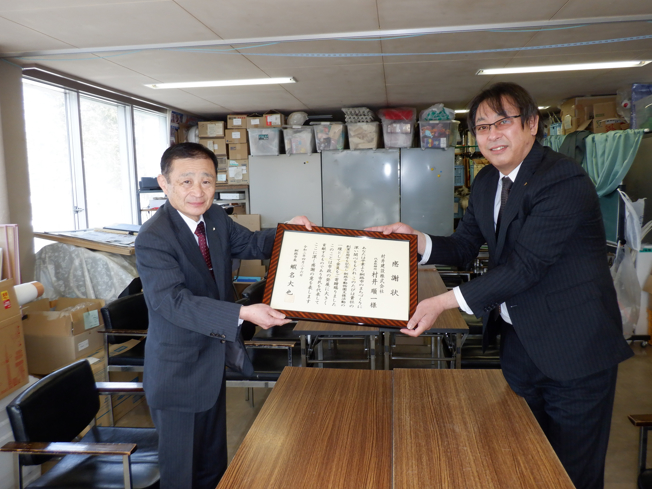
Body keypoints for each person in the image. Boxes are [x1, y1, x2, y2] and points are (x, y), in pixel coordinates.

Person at [368, 82, 633, 489]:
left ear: (531, 124)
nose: (492, 135)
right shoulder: (488, 183)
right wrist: (414, 240)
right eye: (481, 127)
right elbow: (461, 247)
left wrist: (442, 302)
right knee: (521, 458)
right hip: (519, 344)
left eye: (502, 122)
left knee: (572, 473)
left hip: (575, 351)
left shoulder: (563, 180)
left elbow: (527, 266)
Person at [135, 142, 313, 489]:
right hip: (177, 373)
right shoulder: (153, 239)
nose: (198, 192)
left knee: (212, 466)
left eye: (207, 181)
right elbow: (174, 302)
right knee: (181, 475)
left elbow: (250, 244)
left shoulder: (214, 217)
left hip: (211, 363)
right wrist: (243, 312)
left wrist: (286, 231)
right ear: (164, 182)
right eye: (186, 181)